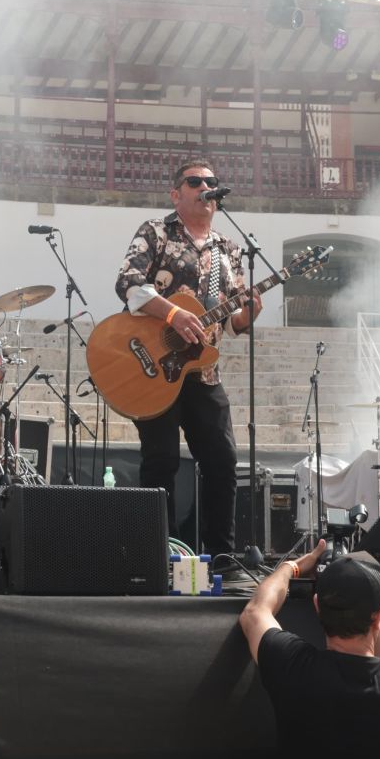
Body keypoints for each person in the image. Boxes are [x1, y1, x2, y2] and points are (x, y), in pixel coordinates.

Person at [113, 159, 260, 555]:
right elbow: (128, 285)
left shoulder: (228, 249)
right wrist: (173, 314)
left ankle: (223, 557)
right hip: (155, 366)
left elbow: (231, 323)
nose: (206, 187)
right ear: (176, 194)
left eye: (212, 182)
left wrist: (249, 314)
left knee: (222, 461)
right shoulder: (156, 232)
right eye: (195, 182)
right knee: (160, 462)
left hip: (202, 372)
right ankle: (161, 553)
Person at [239, 541, 380, 759]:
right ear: (379, 616)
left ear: (317, 605)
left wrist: (292, 567)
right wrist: (368, 609)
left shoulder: (294, 668)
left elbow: (255, 612)